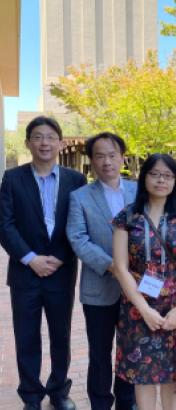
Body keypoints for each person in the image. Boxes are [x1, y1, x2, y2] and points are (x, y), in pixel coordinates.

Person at [0, 116, 86, 410]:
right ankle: (31, 397)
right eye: (37, 137)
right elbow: (5, 224)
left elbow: (78, 224)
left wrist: (61, 257)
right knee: (26, 337)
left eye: (50, 137)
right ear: (27, 143)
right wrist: (30, 258)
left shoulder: (76, 180)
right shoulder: (13, 178)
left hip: (61, 272)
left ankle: (59, 391)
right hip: (25, 273)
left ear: (61, 143)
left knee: (60, 335)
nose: (44, 143)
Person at [112, 154, 176, 410]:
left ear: (175, 181)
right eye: (154, 174)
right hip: (137, 305)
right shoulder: (127, 216)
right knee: (143, 375)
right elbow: (121, 267)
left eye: (167, 175)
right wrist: (143, 310)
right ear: (143, 177)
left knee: (171, 372)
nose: (160, 180)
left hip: (175, 305)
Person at [66, 133, 137, 410]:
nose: (106, 162)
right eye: (99, 156)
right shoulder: (80, 197)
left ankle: (126, 401)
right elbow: (78, 238)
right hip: (99, 288)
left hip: (138, 288)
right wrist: (114, 267)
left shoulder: (138, 191)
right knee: (99, 353)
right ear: (91, 160)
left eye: (112, 155)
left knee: (130, 350)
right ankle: (100, 403)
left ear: (122, 157)